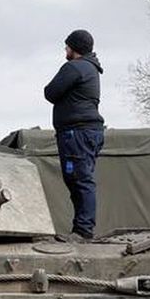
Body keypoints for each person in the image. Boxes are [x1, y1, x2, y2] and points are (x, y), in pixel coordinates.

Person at [43, 29, 105, 239]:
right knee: (77, 179)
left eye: (68, 46)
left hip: (77, 132)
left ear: (74, 48)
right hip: (85, 132)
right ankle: (81, 228)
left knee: (80, 179)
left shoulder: (75, 67)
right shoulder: (91, 68)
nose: (65, 49)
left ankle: (83, 230)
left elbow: (50, 92)